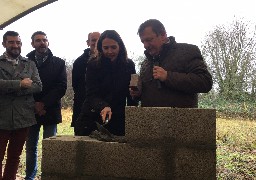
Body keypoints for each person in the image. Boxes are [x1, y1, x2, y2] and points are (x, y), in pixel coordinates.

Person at [130, 19, 213, 107]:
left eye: (149, 40)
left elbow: (205, 82)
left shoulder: (188, 52)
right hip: (151, 120)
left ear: (163, 35)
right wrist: (138, 94)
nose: (145, 45)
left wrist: (168, 76)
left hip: (181, 120)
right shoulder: (145, 64)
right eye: (143, 41)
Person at [76, 30, 138, 136]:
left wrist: (133, 116)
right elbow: (91, 93)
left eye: (113, 47)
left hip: (118, 117)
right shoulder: (93, 64)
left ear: (120, 46)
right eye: (106, 48)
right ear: (100, 48)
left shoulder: (128, 65)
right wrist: (103, 106)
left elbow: (131, 94)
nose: (110, 51)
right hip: (92, 116)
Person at [0, 31, 42, 180]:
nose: (15, 45)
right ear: (4, 44)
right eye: (11, 42)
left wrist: (10, 88)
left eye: (18, 42)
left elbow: (38, 86)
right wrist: (20, 84)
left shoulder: (29, 64)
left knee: (14, 157)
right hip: (2, 117)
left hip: (23, 117)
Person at [25, 31, 67, 180]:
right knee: (30, 148)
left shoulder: (59, 63)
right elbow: (23, 86)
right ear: (32, 44)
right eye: (38, 40)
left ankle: (49, 176)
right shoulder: (25, 62)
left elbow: (61, 87)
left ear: (48, 42)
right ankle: (29, 176)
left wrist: (43, 104)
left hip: (50, 110)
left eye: (44, 40)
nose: (42, 43)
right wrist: (34, 105)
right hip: (30, 111)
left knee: (51, 148)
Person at [71, 32, 100, 135]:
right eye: (93, 40)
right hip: (83, 110)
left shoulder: (109, 61)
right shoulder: (79, 62)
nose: (96, 42)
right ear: (88, 43)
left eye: (99, 40)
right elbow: (76, 86)